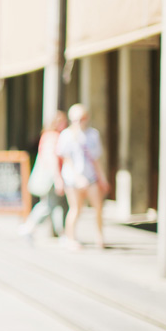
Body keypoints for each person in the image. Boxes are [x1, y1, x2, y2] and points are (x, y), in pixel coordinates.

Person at [56, 103, 107, 250]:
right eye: (75, 119)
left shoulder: (93, 134)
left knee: (98, 207)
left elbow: (96, 159)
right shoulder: (66, 135)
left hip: (91, 177)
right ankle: (70, 238)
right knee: (76, 209)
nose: (79, 122)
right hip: (72, 179)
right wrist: (78, 178)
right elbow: (66, 159)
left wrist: (102, 178)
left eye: (81, 118)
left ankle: (99, 237)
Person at [18, 111, 68, 240]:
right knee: (49, 204)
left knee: (55, 204)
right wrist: (58, 178)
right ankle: (30, 226)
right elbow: (51, 159)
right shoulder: (53, 137)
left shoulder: (48, 136)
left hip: (51, 174)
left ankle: (61, 233)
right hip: (51, 175)